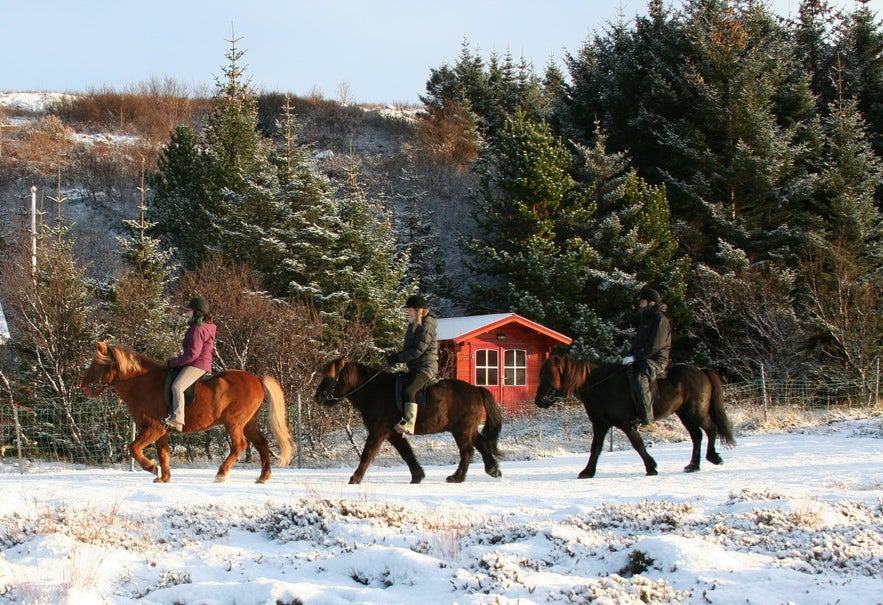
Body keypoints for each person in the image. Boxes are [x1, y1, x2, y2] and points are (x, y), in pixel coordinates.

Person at [162, 297, 217, 433]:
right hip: (200, 363)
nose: (187, 313)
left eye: (189, 310)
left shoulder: (197, 329)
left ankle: (178, 420)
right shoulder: (203, 327)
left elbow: (192, 355)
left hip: (197, 364)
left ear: (197, 312)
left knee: (177, 386)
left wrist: (173, 362)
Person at [386, 294, 438, 435]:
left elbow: (418, 349)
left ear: (418, 310)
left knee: (410, 390)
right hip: (415, 366)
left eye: (410, 310)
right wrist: (396, 356)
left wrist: (398, 358)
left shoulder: (427, 325)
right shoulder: (414, 324)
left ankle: (409, 423)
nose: (408, 313)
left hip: (426, 367)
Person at [622, 287, 671, 430]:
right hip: (643, 358)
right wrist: (629, 356)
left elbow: (655, 345)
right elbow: (638, 342)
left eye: (642, 302)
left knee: (640, 378)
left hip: (657, 360)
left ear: (651, 303)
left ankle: (648, 420)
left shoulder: (660, 320)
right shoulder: (646, 320)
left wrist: (636, 357)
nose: (640, 305)